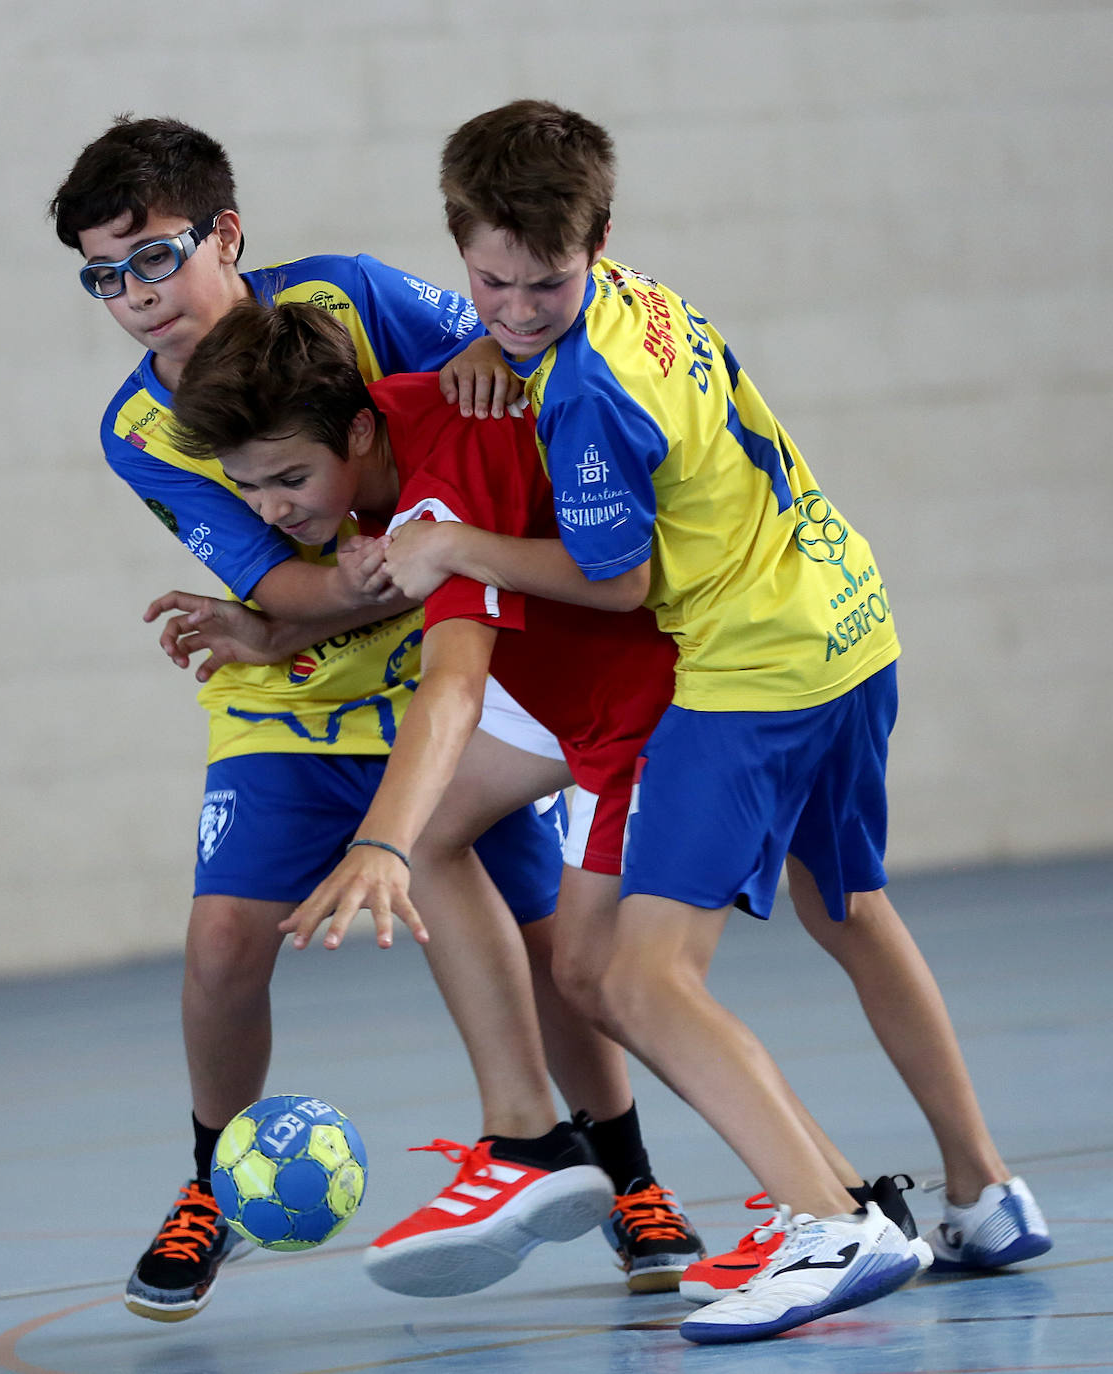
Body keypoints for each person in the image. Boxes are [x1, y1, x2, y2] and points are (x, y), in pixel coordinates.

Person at [315, 99, 1046, 1342]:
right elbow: (532, 347)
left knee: (631, 974)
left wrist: (452, 546)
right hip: (849, 616)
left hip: (751, 671)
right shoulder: (628, 299)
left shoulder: (591, 393)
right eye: (493, 285)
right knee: (849, 908)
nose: (520, 309)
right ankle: (982, 1191)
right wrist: (488, 355)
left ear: (594, 236)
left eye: (545, 285)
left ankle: (829, 1225)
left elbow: (622, 581)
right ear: (463, 248)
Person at [164, 297, 948, 1342]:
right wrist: (289, 618)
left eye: (289, 480)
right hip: (572, 700)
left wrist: (376, 845)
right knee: (491, 871)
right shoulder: (402, 416)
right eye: (246, 487)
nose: (268, 509)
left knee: (619, 977)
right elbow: (420, 540)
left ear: (354, 433)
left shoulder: (436, 477)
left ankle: (830, 1219)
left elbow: (448, 687)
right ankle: (543, 1136)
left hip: (646, 716)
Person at [49, 115, 699, 1320]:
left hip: (449, 677)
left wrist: (484, 376)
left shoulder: (349, 300)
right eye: (102, 276)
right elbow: (285, 579)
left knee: (557, 956)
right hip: (286, 718)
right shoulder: (138, 431)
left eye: (152, 257)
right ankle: (214, 1187)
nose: (132, 296)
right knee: (221, 952)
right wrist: (297, 613)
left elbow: (497, 363)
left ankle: (625, 1177)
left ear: (226, 234)